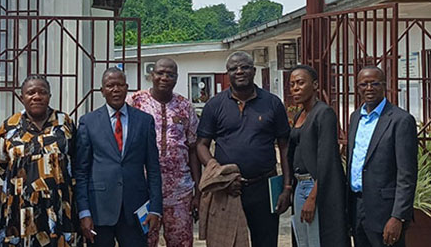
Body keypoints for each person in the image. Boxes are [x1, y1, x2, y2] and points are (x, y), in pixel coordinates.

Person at [196, 51, 292, 247]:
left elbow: (285, 146)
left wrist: (287, 187)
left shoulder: (272, 103)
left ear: (254, 71)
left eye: (245, 67)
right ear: (227, 73)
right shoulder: (215, 105)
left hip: (263, 187)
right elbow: (201, 145)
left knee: (265, 242)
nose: (239, 71)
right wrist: (217, 172)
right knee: (226, 243)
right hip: (228, 189)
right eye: (233, 68)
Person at [75, 67, 163, 247]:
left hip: (135, 208)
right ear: (102, 91)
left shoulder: (144, 121)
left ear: (127, 88)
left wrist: (155, 208)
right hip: (99, 209)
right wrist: (84, 212)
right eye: (110, 85)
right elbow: (81, 171)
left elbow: (153, 169)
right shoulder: (88, 122)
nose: (115, 89)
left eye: (120, 85)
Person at [0, 75, 79, 246]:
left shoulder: (64, 123)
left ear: (49, 96)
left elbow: (76, 161)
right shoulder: (9, 127)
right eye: (31, 92)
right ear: (22, 97)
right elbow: (1, 165)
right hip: (20, 211)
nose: (37, 96)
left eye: (42, 92)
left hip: (58, 209)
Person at [127, 58, 200, 247]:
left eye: (170, 74)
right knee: (144, 241)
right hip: (144, 191)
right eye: (160, 73)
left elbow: (193, 149)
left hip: (180, 192)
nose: (164, 78)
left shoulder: (185, 107)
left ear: (176, 78)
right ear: (152, 74)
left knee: (181, 242)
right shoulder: (135, 102)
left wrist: (197, 190)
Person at [347, 66, 417, 247]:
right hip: (357, 206)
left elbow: (406, 174)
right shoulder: (355, 118)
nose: (369, 88)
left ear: (384, 86)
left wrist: (398, 217)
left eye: (374, 83)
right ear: (358, 87)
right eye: (364, 84)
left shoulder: (400, 120)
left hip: (385, 212)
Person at [287, 65, 350, 247]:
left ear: (314, 85)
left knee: (318, 240)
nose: (295, 88)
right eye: (292, 85)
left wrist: (313, 197)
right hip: (300, 185)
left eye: (300, 83)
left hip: (316, 186)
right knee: (303, 241)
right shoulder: (300, 114)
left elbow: (328, 159)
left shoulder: (324, 113)